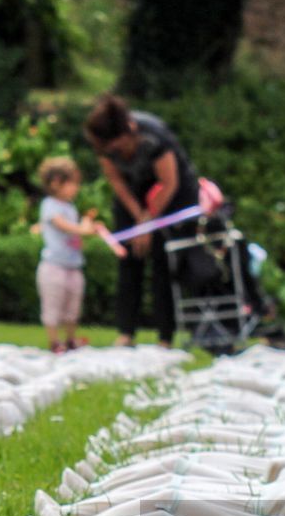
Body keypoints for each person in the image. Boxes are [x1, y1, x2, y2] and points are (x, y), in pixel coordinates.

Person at [84, 93, 199, 348]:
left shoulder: (154, 137)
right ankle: (126, 332)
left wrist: (149, 224)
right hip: (133, 197)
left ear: (125, 135)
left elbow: (169, 183)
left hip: (171, 197)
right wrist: (138, 219)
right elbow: (116, 181)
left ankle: (165, 336)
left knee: (163, 261)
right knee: (129, 259)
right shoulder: (105, 145)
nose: (110, 152)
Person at [35, 157, 96, 353]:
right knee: (53, 304)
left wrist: (85, 229)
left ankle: (70, 339)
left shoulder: (71, 207)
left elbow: (74, 235)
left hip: (73, 265)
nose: (76, 188)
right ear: (56, 183)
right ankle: (55, 341)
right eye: (73, 183)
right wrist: (82, 229)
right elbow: (62, 225)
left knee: (73, 305)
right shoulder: (50, 205)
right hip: (54, 266)